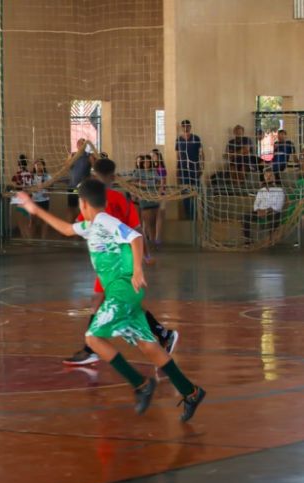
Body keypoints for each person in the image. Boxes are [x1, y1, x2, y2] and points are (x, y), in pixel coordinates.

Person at [17, 180, 206, 422]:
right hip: (125, 293)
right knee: (148, 345)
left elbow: (135, 237)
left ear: (83, 204)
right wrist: (35, 209)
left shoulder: (106, 221)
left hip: (122, 292)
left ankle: (140, 385)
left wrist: (138, 269)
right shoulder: (91, 225)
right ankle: (191, 391)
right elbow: (66, 229)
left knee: (93, 338)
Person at [62, 158, 178, 366]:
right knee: (124, 305)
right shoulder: (122, 201)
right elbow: (137, 231)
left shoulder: (97, 202)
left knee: (101, 301)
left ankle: (92, 348)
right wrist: (144, 257)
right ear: (113, 177)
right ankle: (163, 334)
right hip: (118, 260)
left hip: (115, 262)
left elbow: (83, 226)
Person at [243, 168, 285, 245]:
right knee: (246, 216)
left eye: (271, 175)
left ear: (275, 177)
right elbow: (256, 204)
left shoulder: (279, 190)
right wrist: (258, 210)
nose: (268, 177)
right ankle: (248, 241)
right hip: (260, 212)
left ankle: (272, 239)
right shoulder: (261, 190)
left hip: (272, 212)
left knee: (274, 216)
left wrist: (266, 211)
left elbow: (279, 206)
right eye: (266, 175)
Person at [175, 120, 204, 219]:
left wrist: (202, 167)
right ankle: (189, 216)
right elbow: (178, 156)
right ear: (181, 128)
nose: (185, 128)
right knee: (185, 192)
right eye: (183, 126)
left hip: (195, 169)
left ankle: (197, 216)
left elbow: (201, 153)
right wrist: (177, 170)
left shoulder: (196, 138)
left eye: (187, 126)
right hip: (183, 170)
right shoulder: (179, 140)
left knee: (196, 191)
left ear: (190, 127)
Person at [64, 138, 98, 221]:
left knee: (83, 208)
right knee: (71, 207)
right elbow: (66, 167)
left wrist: (95, 158)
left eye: (83, 143)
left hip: (84, 187)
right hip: (72, 186)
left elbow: (96, 169)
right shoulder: (73, 155)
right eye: (79, 143)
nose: (81, 145)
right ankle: (70, 228)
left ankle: (81, 228)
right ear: (77, 145)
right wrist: (69, 158)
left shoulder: (89, 156)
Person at [133, 154, 160, 249]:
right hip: (144, 199)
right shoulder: (138, 172)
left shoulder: (154, 172)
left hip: (153, 198)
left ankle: (153, 241)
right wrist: (142, 184)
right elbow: (134, 183)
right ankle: (148, 242)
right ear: (142, 163)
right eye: (145, 162)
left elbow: (159, 182)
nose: (147, 163)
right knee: (147, 223)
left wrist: (156, 188)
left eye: (148, 161)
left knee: (153, 222)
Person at [9, 154, 34, 239]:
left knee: (21, 222)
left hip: (20, 199)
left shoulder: (17, 175)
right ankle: (29, 240)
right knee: (28, 221)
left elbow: (14, 186)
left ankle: (26, 240)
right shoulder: (30, 174)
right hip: (29, 198)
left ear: (18, 163)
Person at [31, 158, 52, 239]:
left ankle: (43, 239)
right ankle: (33, 239)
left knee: (44, 221)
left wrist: (48, 192)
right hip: (34, 201)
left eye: (41, 164)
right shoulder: (32, 176)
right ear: (34, 166)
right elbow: (28, 187)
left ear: (44, 166)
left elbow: (52, 188)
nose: (39, 166)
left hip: (44, 200)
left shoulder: (47, 176)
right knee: (33, 221)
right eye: (37, 165)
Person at [150, 149, 167, 247]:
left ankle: (157, 238)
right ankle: (153, 238)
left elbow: (163, 182)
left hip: (160, 194)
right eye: (151, 156)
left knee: (160, 215)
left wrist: (160, 193)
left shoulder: (160, 168)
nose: (152, 158)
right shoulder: (151, 168)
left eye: (153, 156)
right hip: (151, 194)